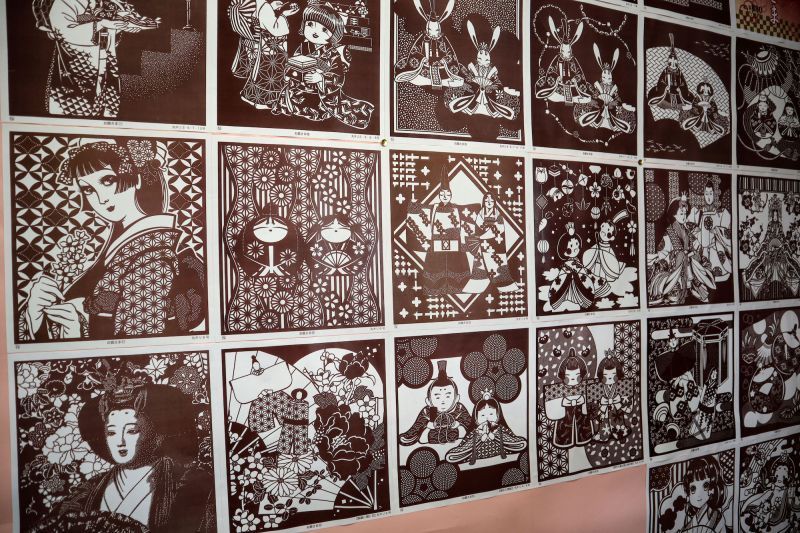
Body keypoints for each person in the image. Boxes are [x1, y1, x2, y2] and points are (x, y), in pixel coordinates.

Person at [20, 140, 206, 340]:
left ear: (136, 179)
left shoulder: (153, 258)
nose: (101, 199)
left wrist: (76, 332)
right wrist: (36, 313)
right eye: (88, 190)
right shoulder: (119, 248)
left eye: (108, 180)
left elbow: (138, 345)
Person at [45, 383, 215, 532]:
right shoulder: (89, 491)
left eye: (132, 431)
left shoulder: (190, 483)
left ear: (158, 435)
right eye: (111, 432)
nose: (120, 441)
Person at [40, 0, 159, 117]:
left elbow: (107, 24)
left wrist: (120, 27)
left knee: (105, 101)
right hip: (78, 62)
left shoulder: (107, 2)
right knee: (75, 105)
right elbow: (62, 30)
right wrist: (100, 24)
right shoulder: (64, 2)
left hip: (106, 58)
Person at [278, 3, 374, 129]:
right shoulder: (303, 47)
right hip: (297, 87)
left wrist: (320, 78)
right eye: (310, 24)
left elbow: (338, 76)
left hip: (318, 93)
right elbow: (294, 63)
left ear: (333, 34)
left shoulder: (332, 53)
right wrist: (289, 73)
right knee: (287, 96)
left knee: (316, 109)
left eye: (324, 30)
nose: (315, 32)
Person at [647, 196, 716, 305]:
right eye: (681, 214)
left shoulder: (687, 230)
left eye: (685, 214)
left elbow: (695, 245)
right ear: (674, 215)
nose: (684, 216)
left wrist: (694, 252)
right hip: (675, 268)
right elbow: (663, 253)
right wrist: (676, 256)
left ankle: (693, 287)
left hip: (689, 265)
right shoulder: (669, 233)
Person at [239, 1, 300, 110]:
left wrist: (272, 7)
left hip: (265, 46)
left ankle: (250, 97)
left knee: (260, 71)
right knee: (271, 74)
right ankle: (263, 101)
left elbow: (262, 19)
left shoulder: (260, 4)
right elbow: (277, 30)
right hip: (272, 48)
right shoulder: (265, 7)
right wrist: (284, 15)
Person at [413, 180, 470, 296]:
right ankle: (436, 290)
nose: (445, 196)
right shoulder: (433, 208)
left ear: (451, 195)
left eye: (448, 194)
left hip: (455, 245)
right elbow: (421, 214)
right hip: (436, 245)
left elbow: (465, 224)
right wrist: (413, 205)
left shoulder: (456, 208)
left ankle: (457, 289)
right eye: (442, 194)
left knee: (456, 267)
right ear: (439, 195)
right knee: (436, 268)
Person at [399, 360, 471, 445]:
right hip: (431, 440)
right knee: (423, 437)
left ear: (456, 398)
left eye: (448, 396)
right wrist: (428, 426)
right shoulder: (427, 411)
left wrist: (458, 424)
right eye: (437, 397)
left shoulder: (459, 408)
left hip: (456, 440)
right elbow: (415, 429)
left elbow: (471, 425)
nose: (443, 401)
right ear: (428, 401)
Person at [444, 392, 526, 465]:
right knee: (461, 451)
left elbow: (509, 437)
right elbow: (467, 444)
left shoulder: (499, 428)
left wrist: (495, 436)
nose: (487, 417)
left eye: (491, 414)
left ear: (498, 415)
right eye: (482, 415)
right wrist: (480, 438)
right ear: (476, 418)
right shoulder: (476, 431)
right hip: (477, 454)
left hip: (499, 451)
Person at [743, 194, 800, 299]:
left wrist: (781, 244)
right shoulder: (769, 224)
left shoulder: (780, 225)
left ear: (778, 215)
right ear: (771, 215)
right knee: (764, 258)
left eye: (776, 215)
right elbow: (767, 236)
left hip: (779, 246)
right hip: (770, 246)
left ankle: (784, 284)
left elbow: (782, 236)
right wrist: (767, 245)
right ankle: (766, 284)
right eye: (773, 215)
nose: (775, 217)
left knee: (786, 259)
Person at [463, 193, 518, 294]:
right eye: (487, 200)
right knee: (481, 265)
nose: (489, 202)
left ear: (494, 202)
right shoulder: (480, 214)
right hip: (483, 244)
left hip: (495, 244)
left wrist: (485, 235)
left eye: (491, 201)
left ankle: (503, 285)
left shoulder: (497, 214)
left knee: (497, 265)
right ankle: (478, 284)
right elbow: (478, 228)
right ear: (483, 202)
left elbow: (500, 228)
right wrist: (482, 236)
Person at [548, 222, 609, 311]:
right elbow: (563, 275)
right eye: (571, 246)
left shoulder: (577, 260)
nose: (576, 248)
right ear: (565, 251)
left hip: (581, 278)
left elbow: (582, 270)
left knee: (590, 279)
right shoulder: (567, 264)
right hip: (571, 282)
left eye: (577, 244)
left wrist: (583, 271)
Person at [687, 181, 732, 284]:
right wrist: (698, 234)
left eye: (711, 193)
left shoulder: (722, 213)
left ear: (714, 194)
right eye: (706, 193)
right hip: (702, 251)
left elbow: (728, 233)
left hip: (716, 251)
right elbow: (689, 228)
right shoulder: (696, 212)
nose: (708, 197)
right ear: (703, 194)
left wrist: (717, 231)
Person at [741, 455, 800, 533]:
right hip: (765, 510)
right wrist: (745, 506)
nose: (780, 475)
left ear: (788, 477)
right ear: (774, 474)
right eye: (778, 470)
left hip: (776, 515)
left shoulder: (787, 491)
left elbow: (793, 505)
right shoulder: (770, 490)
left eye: (785, 471)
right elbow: (760, 497)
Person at [550, 349, 595, 449]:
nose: (573, 379)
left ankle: (584, 438)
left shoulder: (585, 387)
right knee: (564, 431)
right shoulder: (559, 389)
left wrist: (583, 401)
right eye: (568, 376)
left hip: (581, 417)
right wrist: (563, 402)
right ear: (563, 376)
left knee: (583, 429)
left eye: (577, 376)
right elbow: (553, 403)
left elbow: (591, 402)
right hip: (565, 418)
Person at [679, 456, 728, 532]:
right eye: (693, 488)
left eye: (705, 485)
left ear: (712, 489)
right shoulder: (692, 520)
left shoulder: (716, 517)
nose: (699, 494)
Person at [647, 34, 693, 110]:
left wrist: (680, 89)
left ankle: (677, 106)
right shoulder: (666, 71)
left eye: (675, 62)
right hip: (667, 93)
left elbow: (683, 83)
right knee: (659, 101)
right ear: (668, 61)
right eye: (671, 61)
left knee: (689, 100)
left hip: (677, 94)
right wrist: (665, 87)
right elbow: (661, 81)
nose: (673, 63)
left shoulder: (679, 72)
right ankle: (678, 107)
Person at [593, 356, 631, 443]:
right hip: (605, 409)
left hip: (616, 408)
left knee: (618, 420)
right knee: (603, 422)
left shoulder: (620, 386)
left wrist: (619, 403)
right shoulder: (600, 388)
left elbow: (625, 400)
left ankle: (620, 431)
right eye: (606, 375)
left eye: (613, 375)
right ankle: (603, 434)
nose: (610, 378)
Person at [582, 220, 624, 284]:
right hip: (595, 267)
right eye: (603, 227)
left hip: (604, 271)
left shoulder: (609, 250)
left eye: (608, 230)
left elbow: (612, 260)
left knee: (602, 280)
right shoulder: (596, 246)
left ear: (612, 238)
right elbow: (590, 254)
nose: (603, 231)